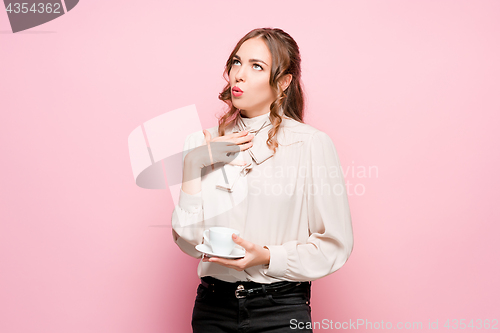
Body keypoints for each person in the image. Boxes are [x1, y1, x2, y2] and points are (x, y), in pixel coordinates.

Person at [171, 27, 354, 333]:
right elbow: (189, 241)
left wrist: (269, 257)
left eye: (257, 66)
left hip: (280, 310)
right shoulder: (201, 142)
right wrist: (193, 163)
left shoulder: (310, 144)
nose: (239, 74)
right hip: (213, 309)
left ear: (283, 82)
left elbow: (335, 245)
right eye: (236, 62)